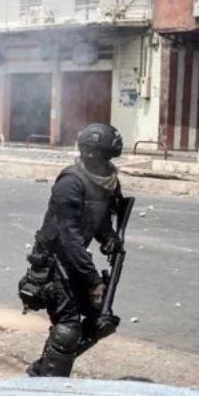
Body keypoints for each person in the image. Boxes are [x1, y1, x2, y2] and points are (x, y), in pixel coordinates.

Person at [19, 123, 127, 377]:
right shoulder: (70, 182)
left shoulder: (108, 183)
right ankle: (48, 385)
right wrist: (93, 279)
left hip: (76, 262)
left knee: (101, 323)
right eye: (103, 157)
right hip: (55, 264)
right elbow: (69, 239)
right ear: (91, 154)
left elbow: (100, 222)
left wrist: (109, 238)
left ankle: (42, 369)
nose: (107, 165)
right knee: (67, 328)